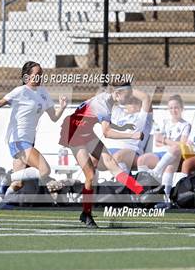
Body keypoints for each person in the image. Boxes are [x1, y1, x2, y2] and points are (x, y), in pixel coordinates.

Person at [0, 61, 67, 228]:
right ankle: (6, 177)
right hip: (18, 141)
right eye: (36, 74)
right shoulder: (20, 91)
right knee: (44, 170)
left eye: (41, 74)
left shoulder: (43, 93)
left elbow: (53, 117)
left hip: (28, 141)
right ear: (26, 77)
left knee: (17, 184)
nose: (40, 77)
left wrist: (62, 107)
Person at [59, 83, 153, 228]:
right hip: (73, 133)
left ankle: (139, 191)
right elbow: (107, 132)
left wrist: (123, 127)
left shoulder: (107, 101)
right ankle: (86, 214)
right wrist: (132, 134)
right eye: (126, 96)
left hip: (85, 132)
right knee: (90, 175)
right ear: (117, 94)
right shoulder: (103, 103)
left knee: (110, 162)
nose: (128, 100)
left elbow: (106, 124)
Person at [137, 94, 191, 198]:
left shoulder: (185, 125)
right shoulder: (165, 122)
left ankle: (165, 198)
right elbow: (157, 141)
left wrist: (165, 140)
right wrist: (169, 142)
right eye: (171, 108)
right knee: (141, 160)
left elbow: (182, 144)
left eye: (176, 107)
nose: (173, 110)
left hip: (175, 156)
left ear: (181, 108)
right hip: (162, 154)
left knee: (173, 155)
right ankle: (141, 192)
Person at [105, 95, 153, 172]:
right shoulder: (121, 115)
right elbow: (108, 102)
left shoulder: (143, 117)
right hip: (112, 150)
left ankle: (124, 182)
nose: (132, 105)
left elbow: (146, 98)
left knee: (117, 157)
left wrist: (126, 90)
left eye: (135, 102)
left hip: (132, 151)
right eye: (130, 102)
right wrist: (118, 92)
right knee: (93, 159)